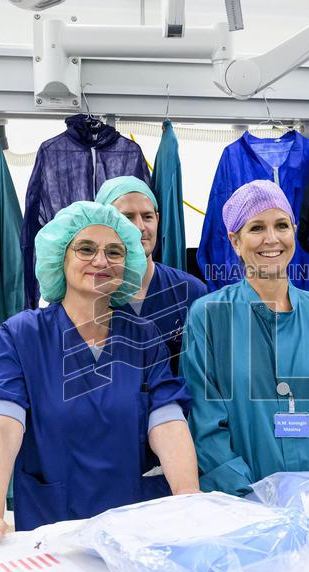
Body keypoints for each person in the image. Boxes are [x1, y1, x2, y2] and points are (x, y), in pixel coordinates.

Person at [0, 201, 200, 549]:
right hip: (53, 529)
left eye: (114, 251)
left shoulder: (143, 337)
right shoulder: (23, 336)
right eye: (86, 249)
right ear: (59, 257)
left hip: (133, 527)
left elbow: (168, 422)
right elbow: (2, 427)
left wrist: (190, 500)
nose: (101, 261)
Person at [181, 180, 309, 497]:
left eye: (282, 225)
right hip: (241, 504)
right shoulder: (209, 316)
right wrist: (249, 494)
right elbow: (205, 422)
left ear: (294, 231)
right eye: (256, 228)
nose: (272, 239)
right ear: (235, 241)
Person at [95, 176, 208, 499]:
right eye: (127, 217)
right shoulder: (93, 296)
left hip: (179, 443)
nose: (140, 226)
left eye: (147, 215)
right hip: (110, 448)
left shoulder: (191, 292)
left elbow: (205, 379)